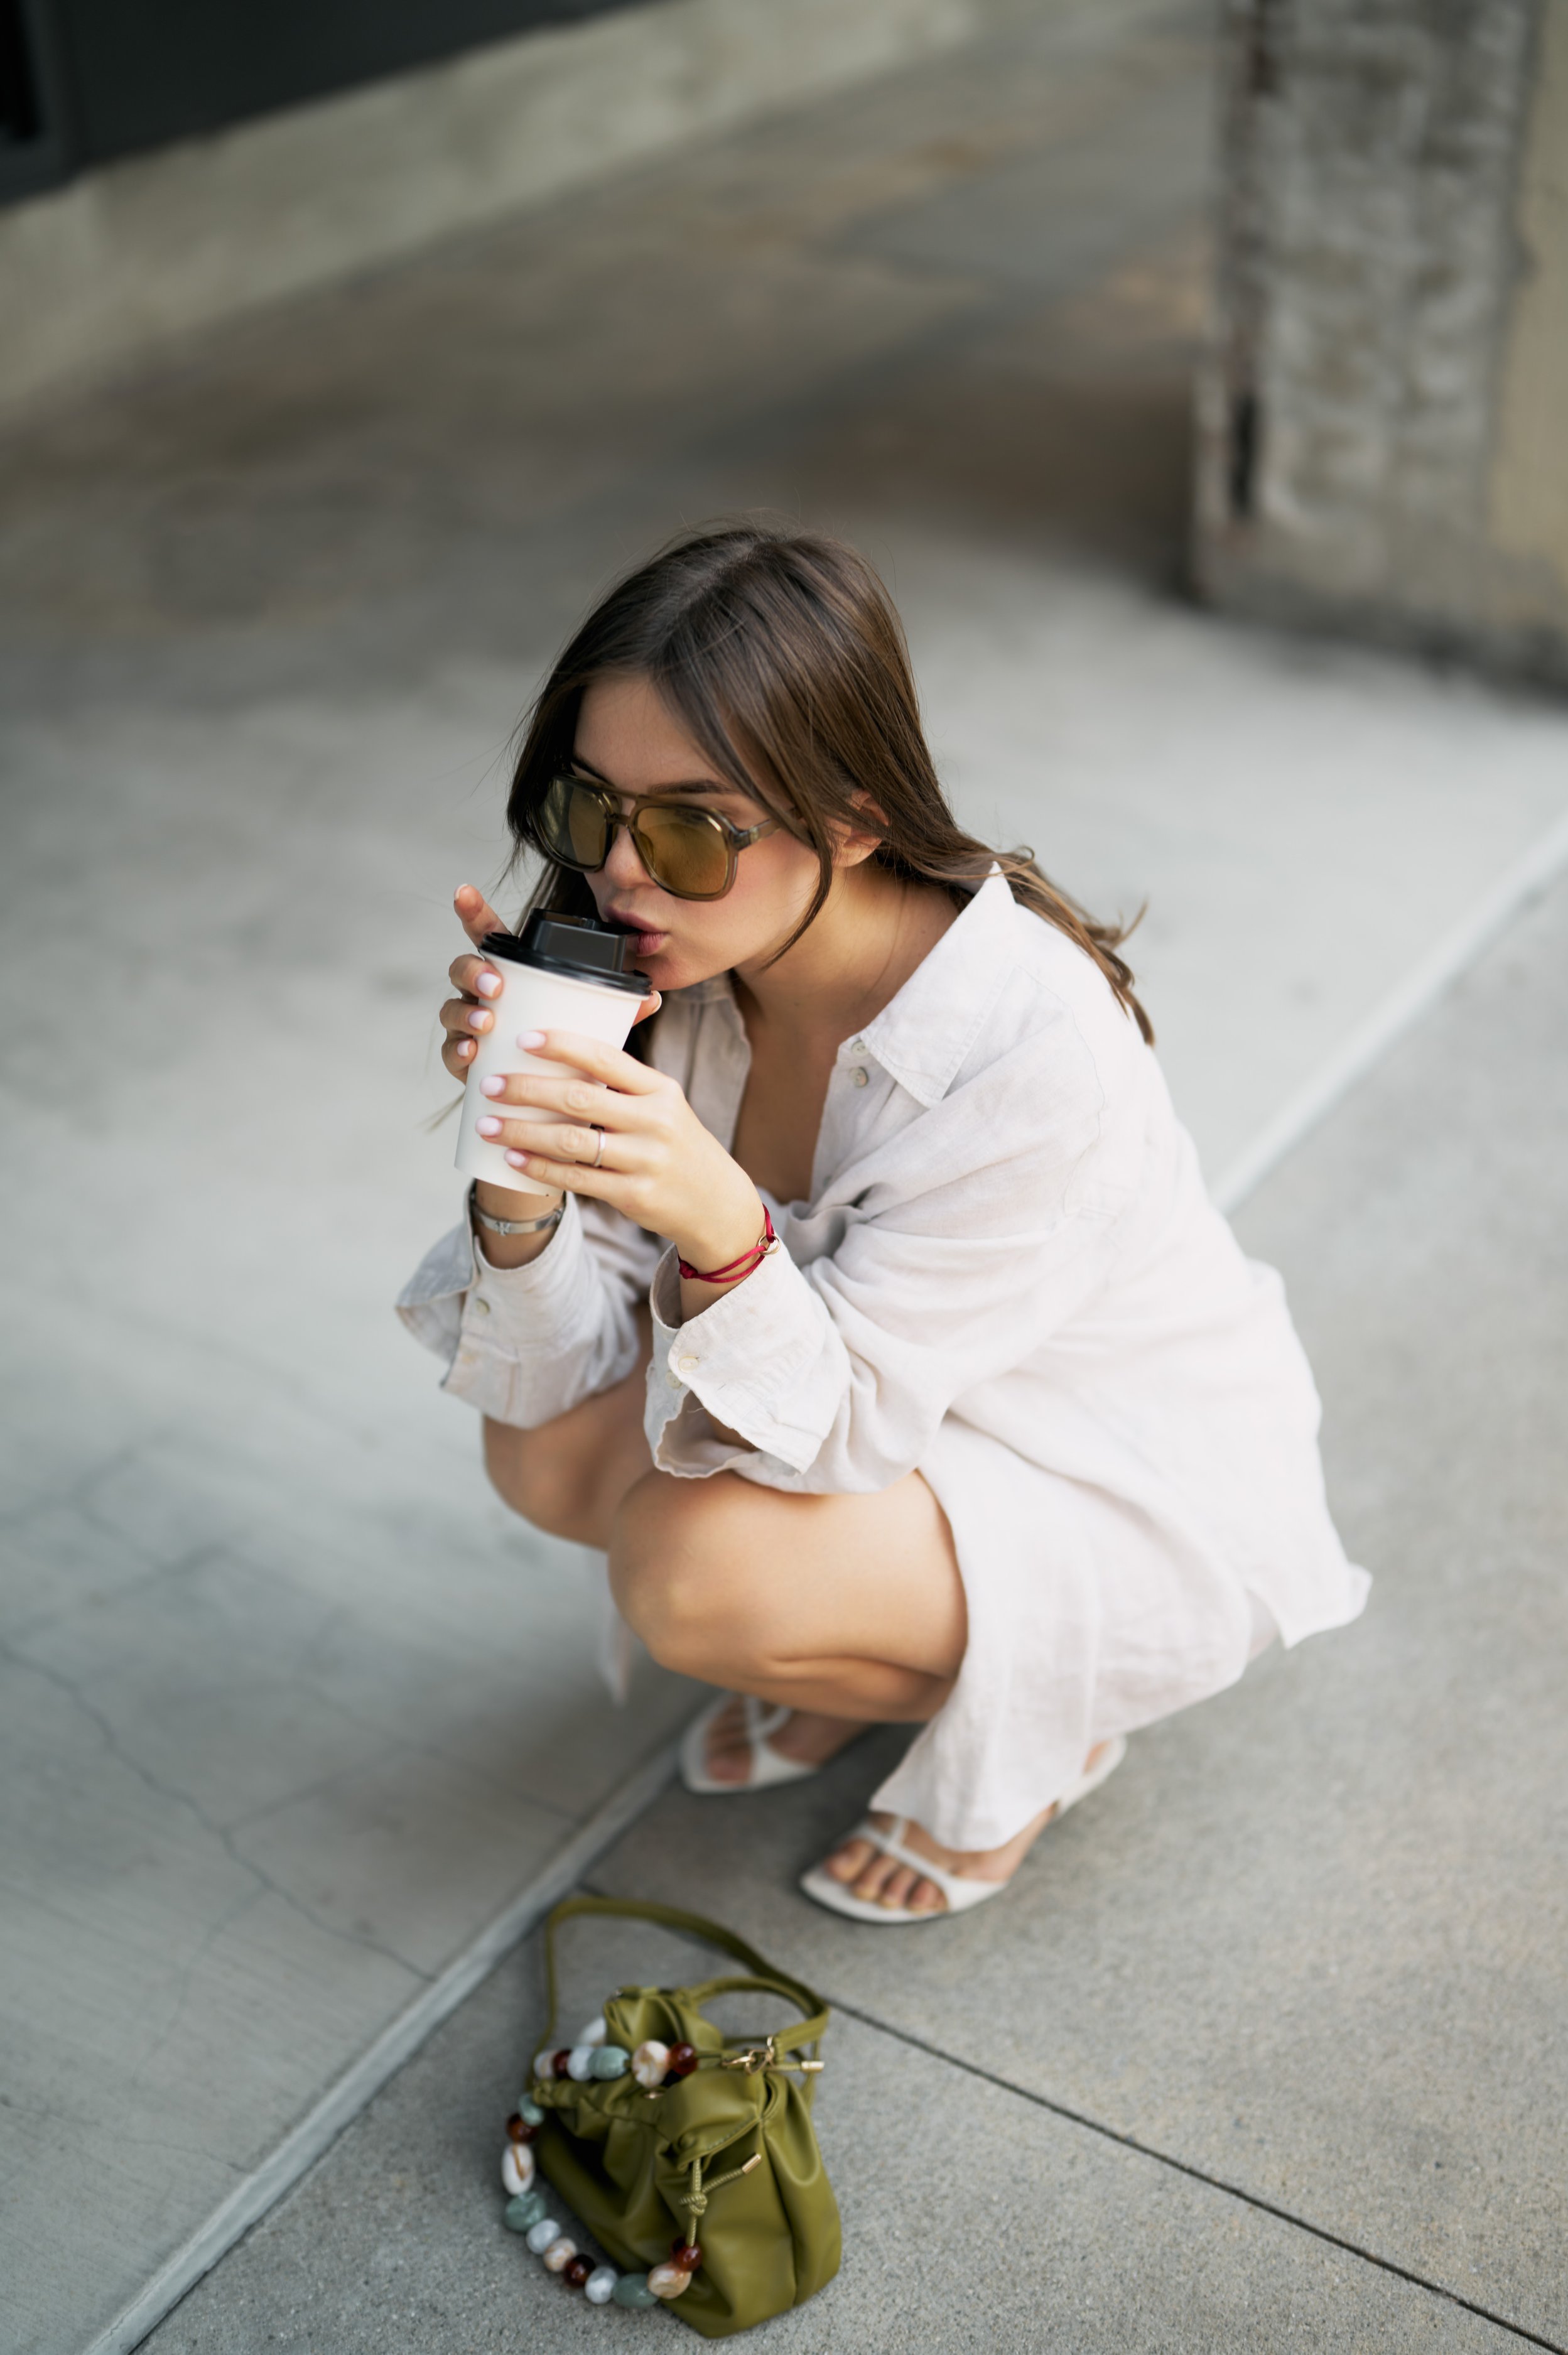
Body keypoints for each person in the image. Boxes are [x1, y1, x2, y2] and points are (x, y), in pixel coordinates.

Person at [398, 521, 1368, 1924]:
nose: (620, 874)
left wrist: (721, 1223)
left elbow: (843, 1421)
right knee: (542, 1451)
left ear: (851, 823)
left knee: (692, 1570)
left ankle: (1047, 1722)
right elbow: (550, 1372)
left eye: (687, 829)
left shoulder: (1030, 1050)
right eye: (585, 806)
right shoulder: (673, 976)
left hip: (1098, 1461)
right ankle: (854, 1652)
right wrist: (520, 1164)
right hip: (879, 1410)